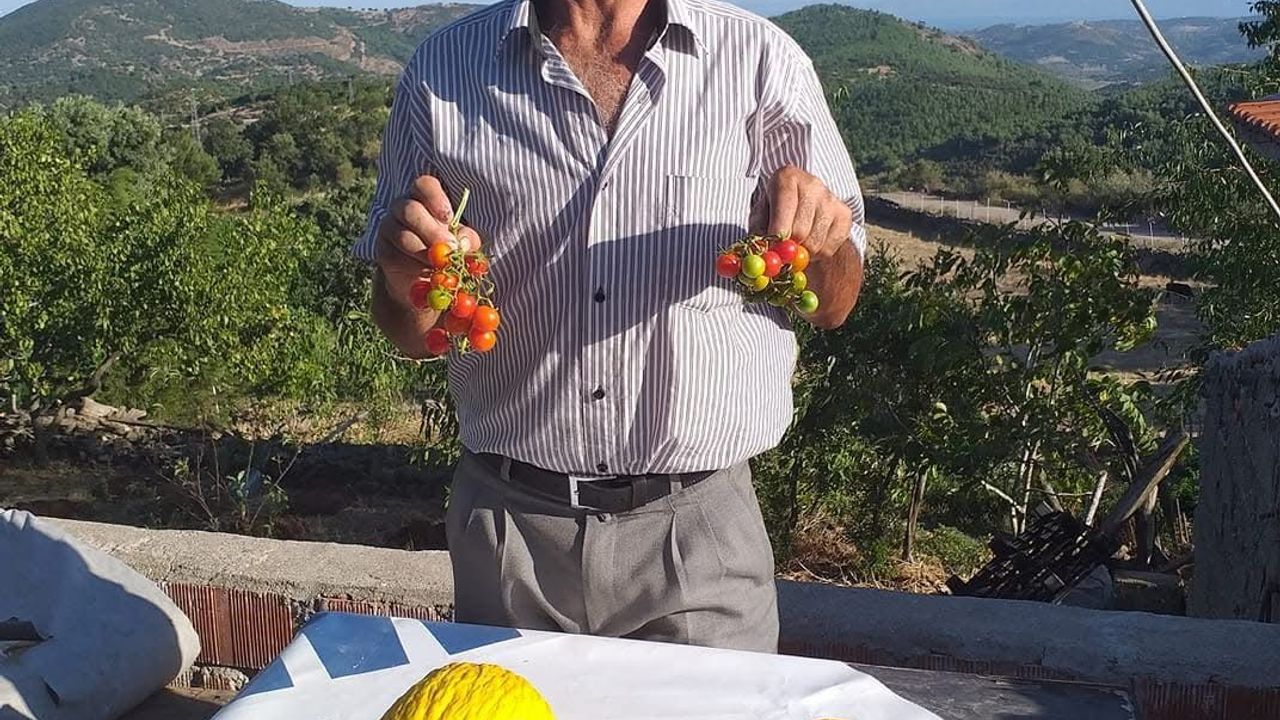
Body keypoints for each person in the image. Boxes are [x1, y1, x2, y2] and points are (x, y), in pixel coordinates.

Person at [353, 0, 866, 653]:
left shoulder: (761, 62)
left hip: (700, 535)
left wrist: (820, 247)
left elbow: (835, 304)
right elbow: (408, 331)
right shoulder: (444, 69)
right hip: (510, 539)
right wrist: (407, 285)